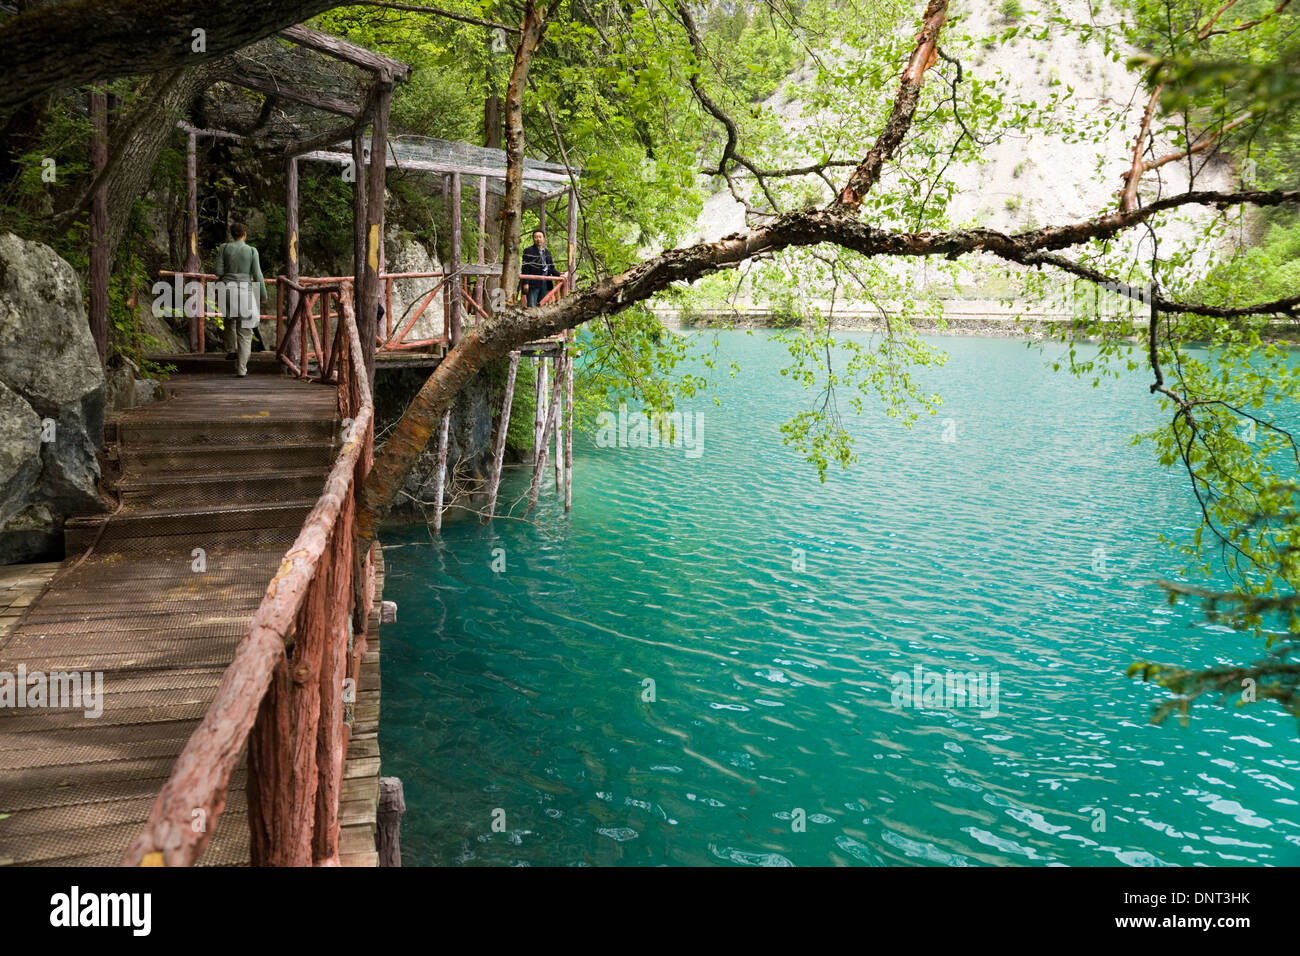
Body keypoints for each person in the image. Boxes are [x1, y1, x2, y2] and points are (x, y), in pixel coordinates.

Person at [213, 222, 268, 377]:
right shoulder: (251, 251)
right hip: (244, 291)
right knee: (245, 330)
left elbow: (218, 271)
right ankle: (241, 369)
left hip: (226, 290)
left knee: (229, 320)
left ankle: (231, 350)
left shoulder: (224, 248)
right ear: (244, 234)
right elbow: (258, 275)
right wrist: (262, 295)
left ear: (232, 234)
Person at [521, 229, 558, 308]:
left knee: (543, 304)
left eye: (540, 237)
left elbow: (551, 268)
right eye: (536, 237)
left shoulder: (547, 252)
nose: (538, 239)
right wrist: (525, 283)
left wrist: (560, 274)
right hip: (533, 282)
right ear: (533, 239)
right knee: (532, 305)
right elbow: (525, 268)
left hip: (545, 282)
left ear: (544, 238)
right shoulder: (528, 251)